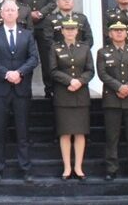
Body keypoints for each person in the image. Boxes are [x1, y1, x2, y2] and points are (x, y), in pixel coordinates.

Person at [0, 0, 39, 182]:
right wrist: (7, 74)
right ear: (1, 13)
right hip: (0, 89)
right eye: (5, 10)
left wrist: (19, 73)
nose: (9, 13)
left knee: (23, 132)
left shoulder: (27, 34)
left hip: (21, 89)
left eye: (12, 10)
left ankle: (25, 169)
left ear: (18, 13)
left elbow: (33, 58)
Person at [97, 18, 128, 181]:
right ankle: (111, 168)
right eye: (115, 30)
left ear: (126, 32)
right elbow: (102, 74)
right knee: (112, 137)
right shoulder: (103, 52)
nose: (119, 32)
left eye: (122, 30)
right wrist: (119, 87)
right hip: (112, 99)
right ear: (110, 34)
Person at [49, 17, 93, 181]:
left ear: (77, 31)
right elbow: (52, 70)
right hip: (63, 94)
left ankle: (78, 167)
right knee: (65, 133)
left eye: (72, 29)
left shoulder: (84, 48)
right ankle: (67, 167)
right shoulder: (55, 47)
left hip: (81, 94)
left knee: (80, 133)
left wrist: (79, 81)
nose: (69, 31)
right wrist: (69, 81)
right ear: (62, 31)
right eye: (66, 29)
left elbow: (90, 70)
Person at [17, 0, 56, 91]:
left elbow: (53, 1)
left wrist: (40, 13)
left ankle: (49, 89)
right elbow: (16, 1)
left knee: (46, 58)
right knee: (25, 57)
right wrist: (28, 13)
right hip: (25, 24)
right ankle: (25, 88)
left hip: (44, 25)